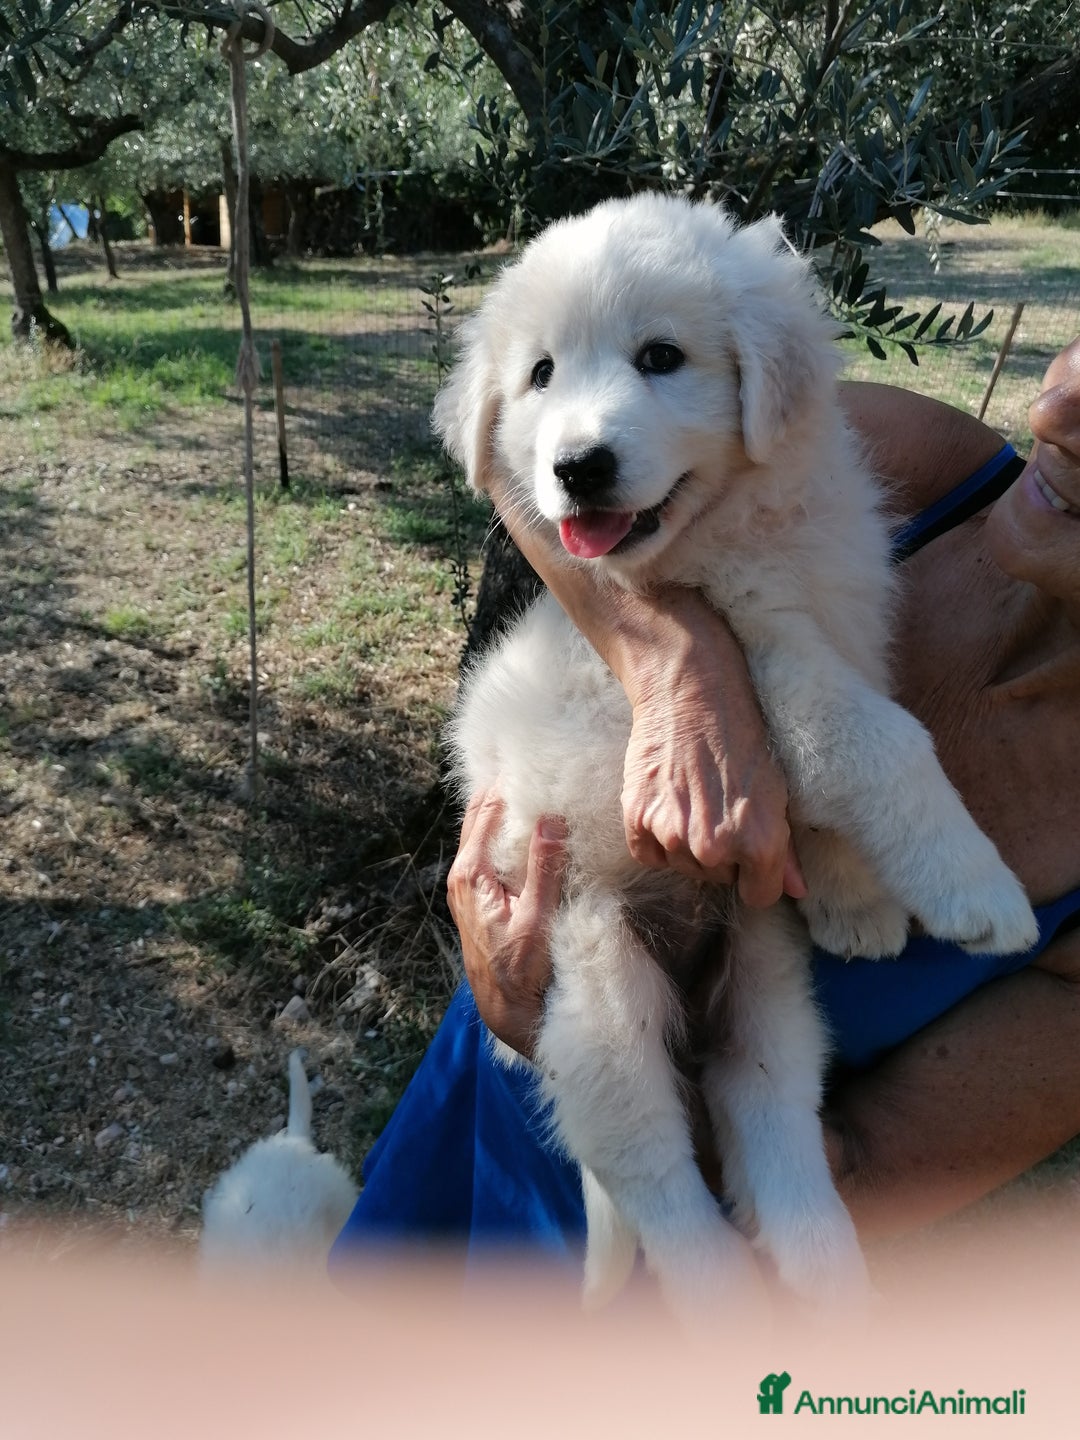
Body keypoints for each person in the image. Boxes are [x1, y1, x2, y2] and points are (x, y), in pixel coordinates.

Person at [332, 337, 1080, 1269]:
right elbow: (536, 461)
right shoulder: (917, 458)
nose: (1056, 413)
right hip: (488, 1091)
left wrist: (563, 1042)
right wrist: (677, 663)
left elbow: (851, 1174)